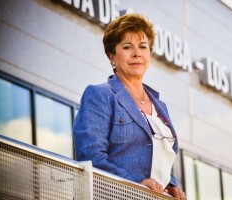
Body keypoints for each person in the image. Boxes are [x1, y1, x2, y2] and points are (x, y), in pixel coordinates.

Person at [73, 13, 186, 199]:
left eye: (143, 47)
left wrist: (171, 184)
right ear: (112, 57)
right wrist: (134, 184)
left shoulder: (160, 106)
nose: (137, 53)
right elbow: (90, 157)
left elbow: (156, 158)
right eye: (127, 47)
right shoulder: (100, 95)